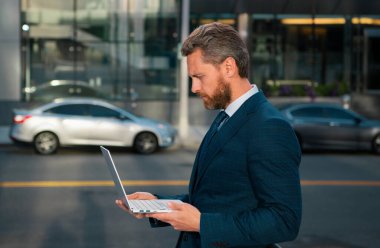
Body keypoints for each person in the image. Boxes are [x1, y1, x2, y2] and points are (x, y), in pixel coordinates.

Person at [116, 22, 302, 248]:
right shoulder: (227, 115)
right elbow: (212, 199)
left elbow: (284, 221)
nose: (194, 87)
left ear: (228, 67)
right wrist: (158, 205)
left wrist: (203, 224)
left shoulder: (269, 127)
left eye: (199, 76)